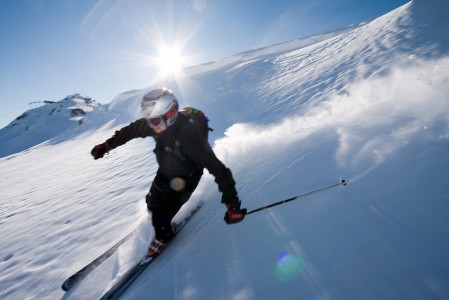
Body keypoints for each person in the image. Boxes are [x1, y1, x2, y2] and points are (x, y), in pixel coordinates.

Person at [91, 88, 246, 257]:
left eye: (155, 122)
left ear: (171, 114)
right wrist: (106, 146)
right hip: (166, 172)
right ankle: (159, 220)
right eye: (149, 120)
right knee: (151, 202)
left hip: (187, 179)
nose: (150, 126)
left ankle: (163, 236)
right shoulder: (156, 123)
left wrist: (233, 204)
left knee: (159, 216)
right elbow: (132, 130)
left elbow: (219, 171)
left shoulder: (190, 138)